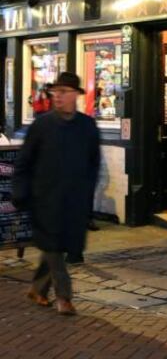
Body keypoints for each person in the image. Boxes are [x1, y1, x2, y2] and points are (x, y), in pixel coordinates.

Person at [12, 72, 101, 316]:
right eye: (54, 92)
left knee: (59, 247)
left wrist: (87, 197)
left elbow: (93, 164)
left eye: (63, 92)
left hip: (73, 201)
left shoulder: (87, 126)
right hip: (44, 199)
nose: (57, 97)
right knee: (52, 245)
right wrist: (20, 192)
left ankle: (37, 289)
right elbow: (23, 162)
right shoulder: (42, 125)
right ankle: (64, 297)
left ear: (76, 95)